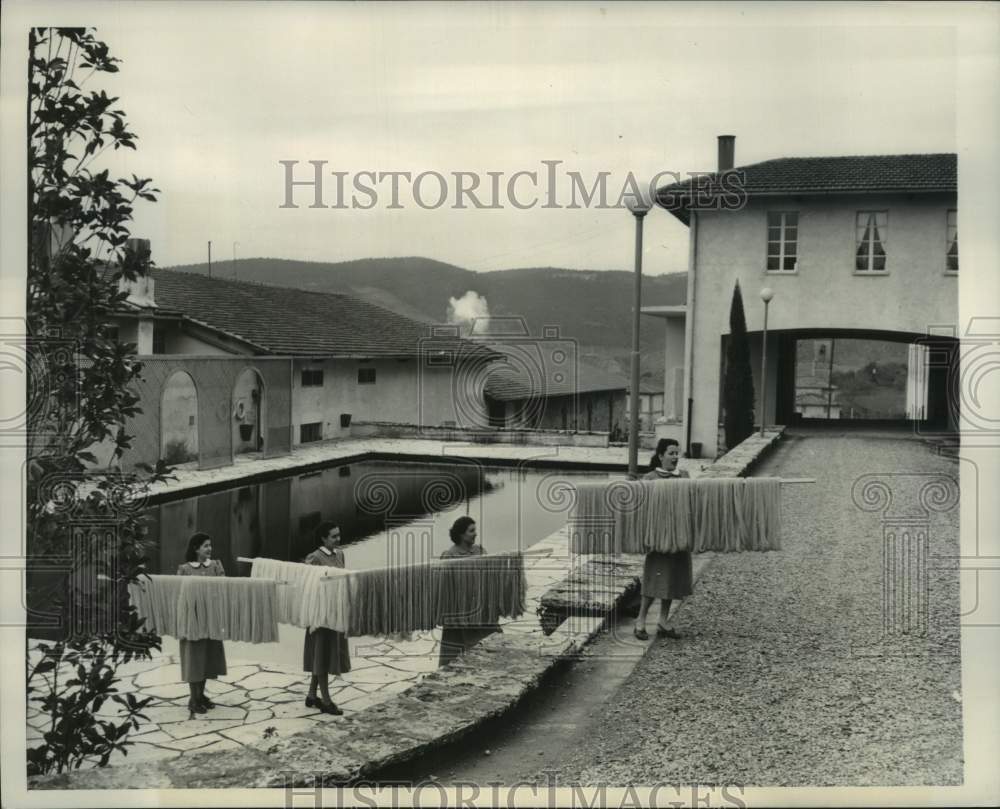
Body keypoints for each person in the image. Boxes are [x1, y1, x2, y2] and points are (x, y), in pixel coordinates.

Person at [634, 438, 693, 640]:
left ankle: (663, 621)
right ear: (661, 456)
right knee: (654, 579)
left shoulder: (684, 476)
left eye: (678, 453)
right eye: (671, 453)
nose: (676, 457)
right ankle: (640, 621)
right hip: (659, 538)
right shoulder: (650, 479)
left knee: (673, 579)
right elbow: (639, 508)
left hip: (679, 536)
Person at [177, 532, 227, 719]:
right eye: (205, 545)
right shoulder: (185, 569)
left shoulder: (215, 566)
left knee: (207, 657)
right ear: (196, 549)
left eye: (210, 545)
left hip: (210, 619)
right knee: (194, 658)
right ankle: (193, 698)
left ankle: (200, 694)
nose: (210, 549)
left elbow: (223, 587)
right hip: (192, 620)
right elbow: (180, 595)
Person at [302, 522, 350, 716]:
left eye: (339, 535)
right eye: (333, 536)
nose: (338, 539)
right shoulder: (314, 558)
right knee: (320, 654)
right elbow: (308, 586)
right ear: (323, 538)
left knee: (324, 654)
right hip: (320, 615)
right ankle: (326, 700)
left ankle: (312, 695)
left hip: (335, 612)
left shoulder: (340, 555)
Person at [438, 516, 498, 667]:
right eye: (471, 531)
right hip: (460, 611)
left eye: (475, 530)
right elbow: (444, 586)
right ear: (461, 534)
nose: (475, 533)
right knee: (456, 649)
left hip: (481, 606)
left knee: (490, 643)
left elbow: (490, 574)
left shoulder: (480, 550)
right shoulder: (449, 556)